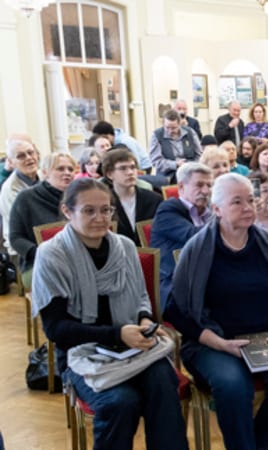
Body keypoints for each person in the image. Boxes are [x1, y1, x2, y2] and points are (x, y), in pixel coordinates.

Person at [32, 178, 188, 450]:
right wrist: (117, 334)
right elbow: (56, 329)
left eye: (106, 210)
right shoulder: (52, 255)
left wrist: (144, 319)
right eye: (89, 211)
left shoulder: (124, 246)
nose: (100, 218)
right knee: (120, 402)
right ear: (67, 211)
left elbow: (141, 298)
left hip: (133, 347)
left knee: (164, 384)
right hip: (81, 353)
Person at [164, 173, 268, 450]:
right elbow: (177, 312)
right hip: (212, 341)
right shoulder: (197, 249)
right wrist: (220, 343)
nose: (247, 208)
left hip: (267, 335)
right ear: (217, 209)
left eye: (251, 200)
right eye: (237, 202)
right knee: (233, 386)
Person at [9, 152, 76, 286]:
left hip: (75, 259)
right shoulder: (26, 197)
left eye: (70, 169)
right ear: (45, 172)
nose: (67, 173)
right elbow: (15, 238)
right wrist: (41, 253)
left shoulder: (78, 197)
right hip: (37, 262)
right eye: (60, 169)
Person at [150, 162, 214, 301]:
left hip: (205, 278)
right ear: (181, 187)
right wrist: (228, 219)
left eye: (209, 186)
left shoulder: (210, 212)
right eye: (199, 185)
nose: (206, 191)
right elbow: (195, 236)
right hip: (175, 286)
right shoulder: (168, 209)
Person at [102, 149, 162, 246]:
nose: (130, 172)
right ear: (109, 174)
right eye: (123, 168)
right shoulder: (104, 203)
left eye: (133, 167)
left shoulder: (154, 199)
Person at [0, 138, 40, 255]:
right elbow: (23, 225)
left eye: (31, 152)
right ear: (11, 162)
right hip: (22, 250)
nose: (29, 158)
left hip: (43, 242)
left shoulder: (44, 177)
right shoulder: (10, 189)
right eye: (21, 156)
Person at [149, 109, 203, 182]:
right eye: (167, 128)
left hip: (190, 174)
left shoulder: (190, 132)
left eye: (174, 128)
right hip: (167, 177)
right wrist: (175, 164)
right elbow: (156, 161)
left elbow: (199, 155)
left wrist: (189, 166)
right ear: (163, 124)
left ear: (179, 124)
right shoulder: (157, 135)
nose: (170, 131)